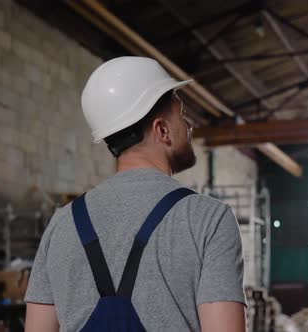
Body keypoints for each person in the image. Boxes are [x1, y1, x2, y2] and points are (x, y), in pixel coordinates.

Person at [24, 56, 246, 331]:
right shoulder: (208, 218)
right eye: (181, 115)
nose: (189, 126)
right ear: (162, 130)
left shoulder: (62, 223)